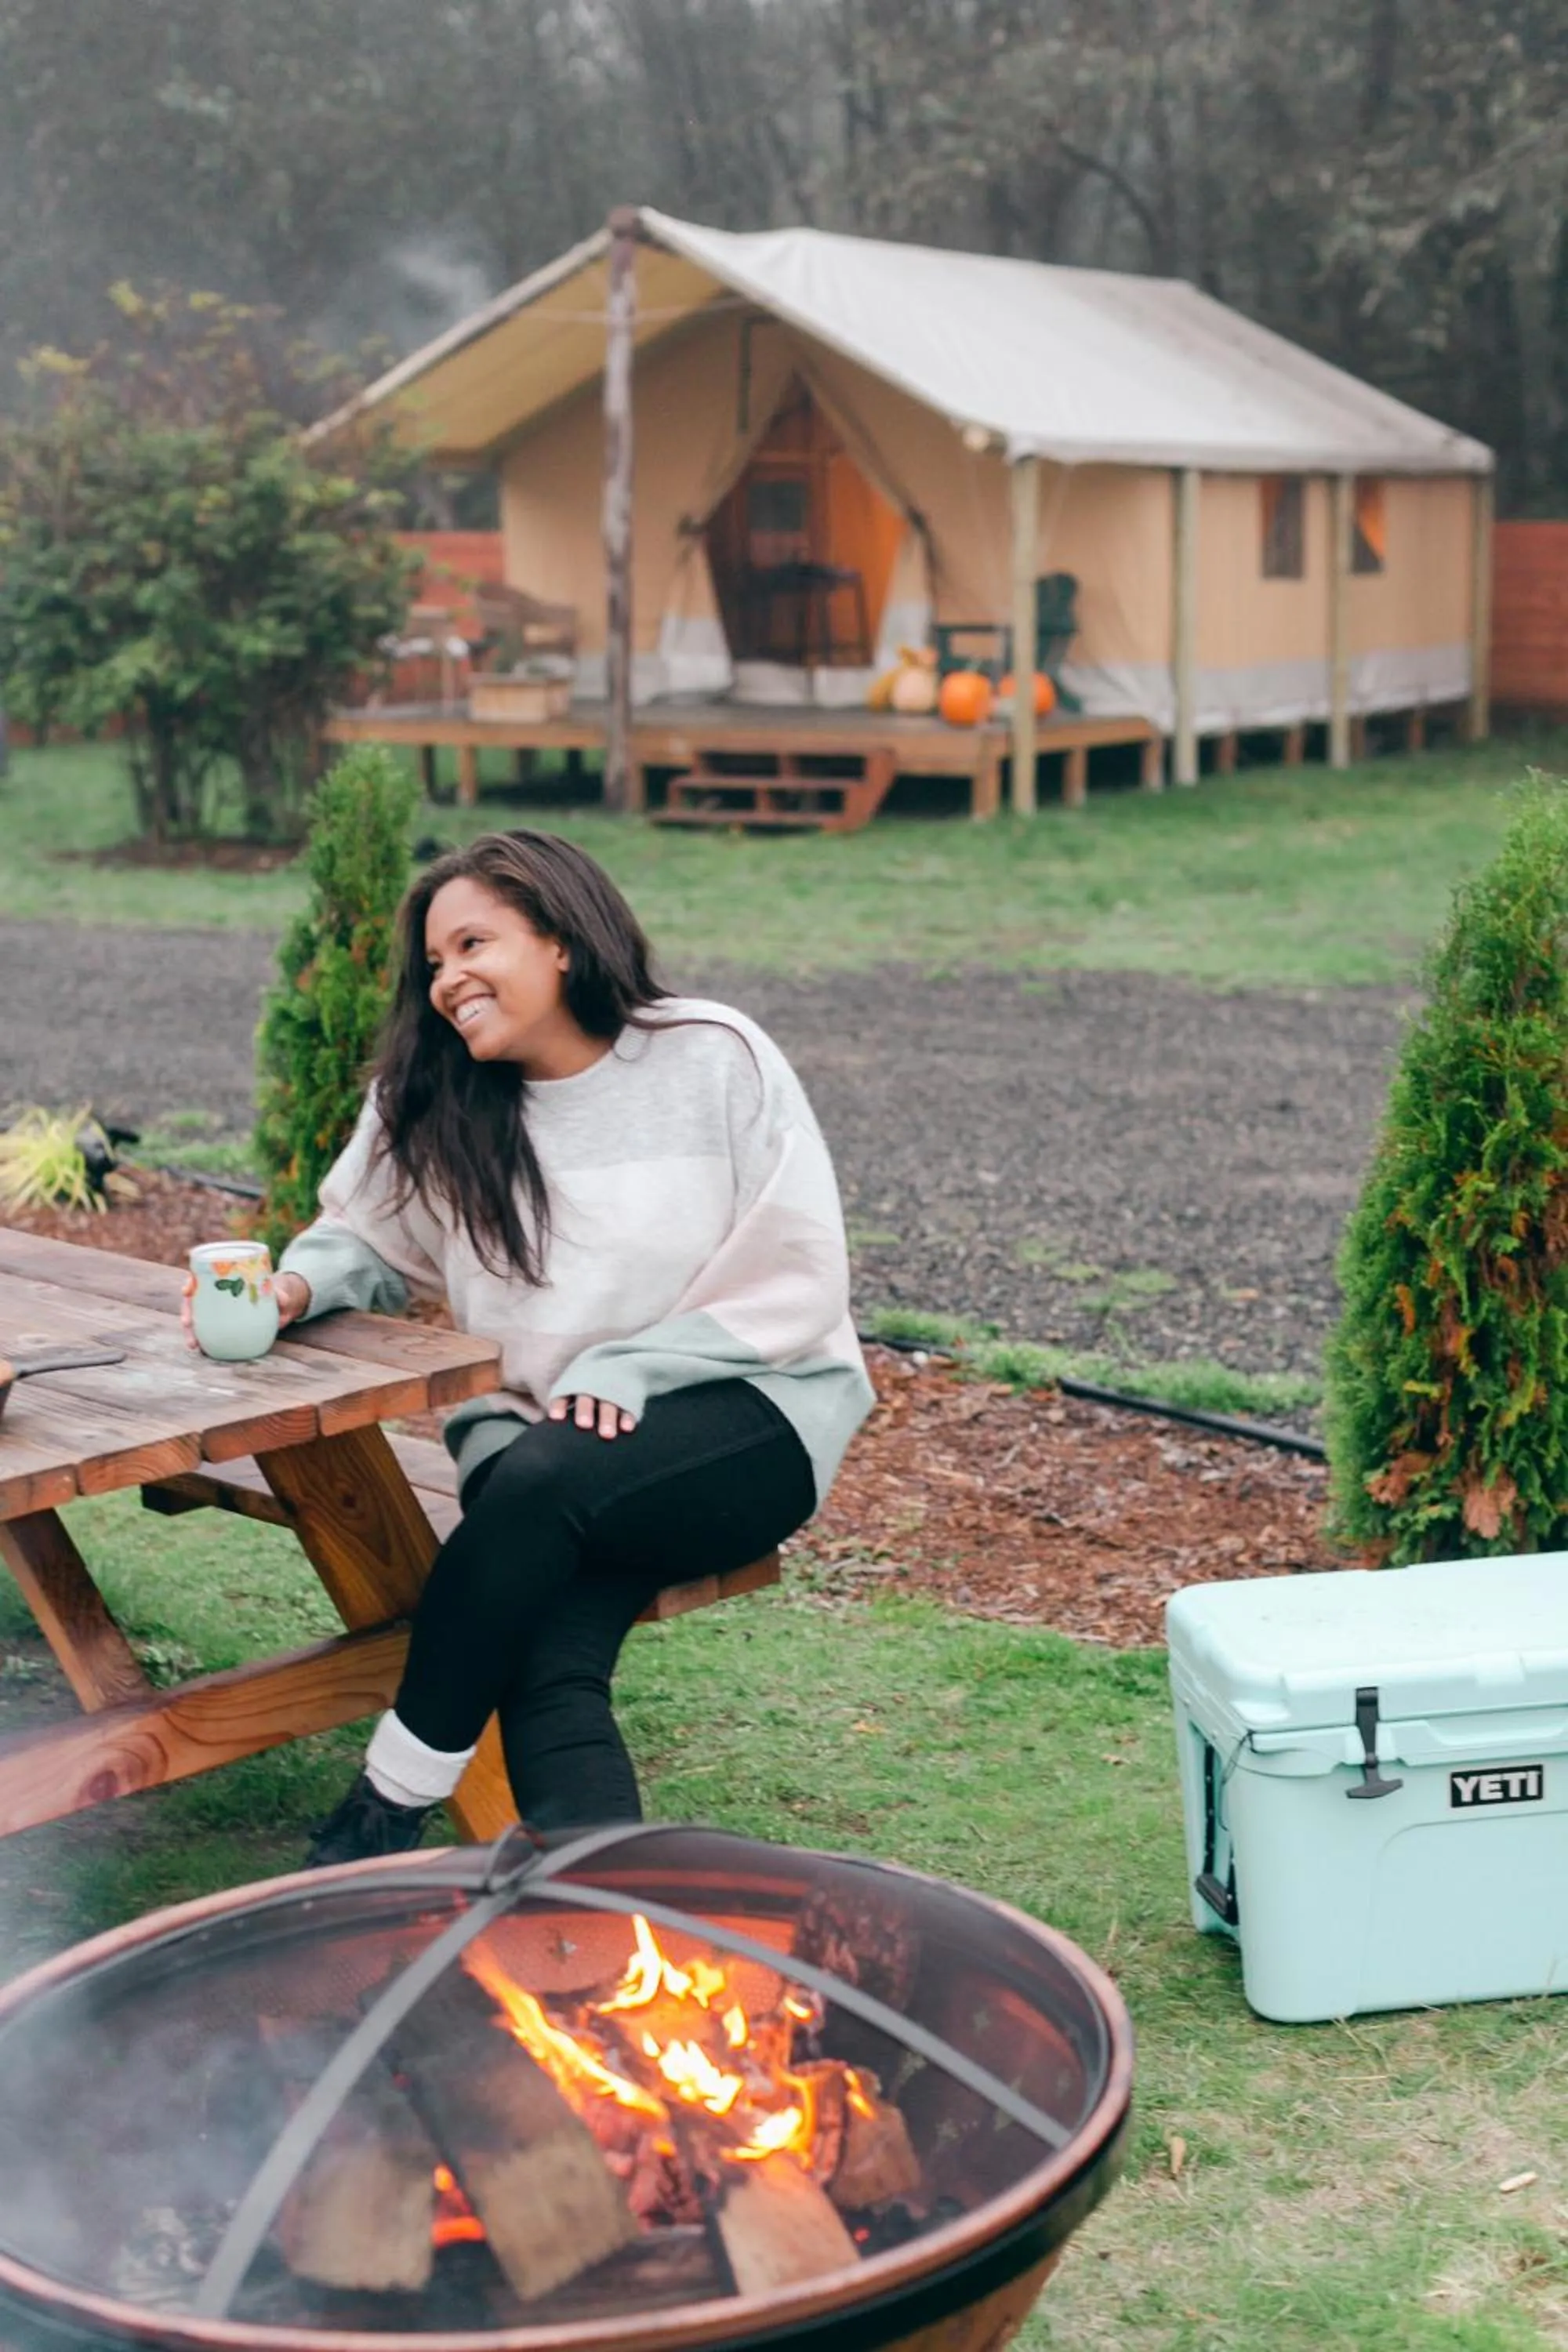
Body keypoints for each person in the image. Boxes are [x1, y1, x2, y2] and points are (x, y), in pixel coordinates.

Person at [259, 829, 873, 1866]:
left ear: (560, 940)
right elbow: (364, 1235)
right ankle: (607, 1923)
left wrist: (628, 1369)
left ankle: (383, 1806)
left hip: (747, 1415)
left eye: (473, 944)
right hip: (544, 1448)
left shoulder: (708, 1054)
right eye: (435, 965)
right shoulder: (436, 1098)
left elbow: (801, 1269)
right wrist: (290, 1287)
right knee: (548, 1646)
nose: (449, 981)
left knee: (537, 1483)